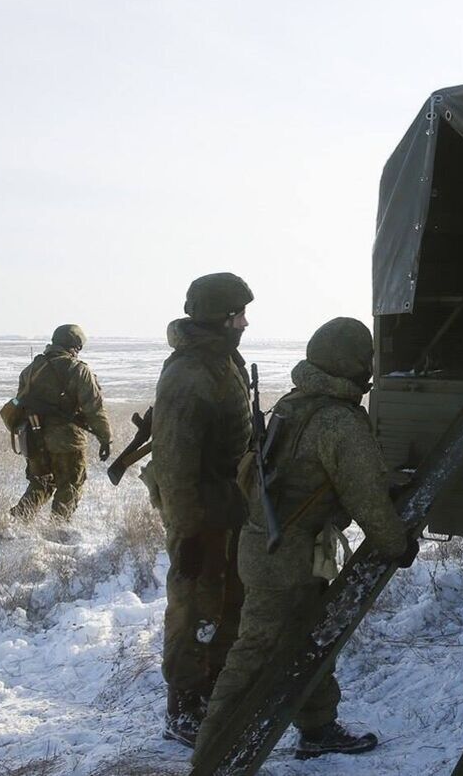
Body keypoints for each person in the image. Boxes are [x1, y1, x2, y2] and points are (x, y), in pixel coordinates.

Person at [192, 316, 415, 766]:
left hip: (272, 549)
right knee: (253, 658)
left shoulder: (296, 405)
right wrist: (397, 545)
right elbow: (367, 498)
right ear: (354, 364)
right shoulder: (338, 421)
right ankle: (212, 758)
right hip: (287, 559)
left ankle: (317, 727)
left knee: (313, 637)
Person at [146, 273, 254, 747]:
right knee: (193, 608)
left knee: (225, 603)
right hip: (200, 514)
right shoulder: (191, 373)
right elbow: (174, 462)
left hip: (223, 507)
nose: (245, 323)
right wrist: (188, 533)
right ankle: (184, 707)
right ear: (219, 317)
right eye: (238, 315)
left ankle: (211, 691)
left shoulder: (220, 360)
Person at [8, 324, 112, 521]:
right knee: (70, 485)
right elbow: (94, 407)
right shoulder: (78, 369)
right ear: (75, 346)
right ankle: (58, 528)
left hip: (33, 438)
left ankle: (17, 522)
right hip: (66, 441)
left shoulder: (31, 370)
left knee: (41, 483)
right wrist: (106, 438)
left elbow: (20, 403)